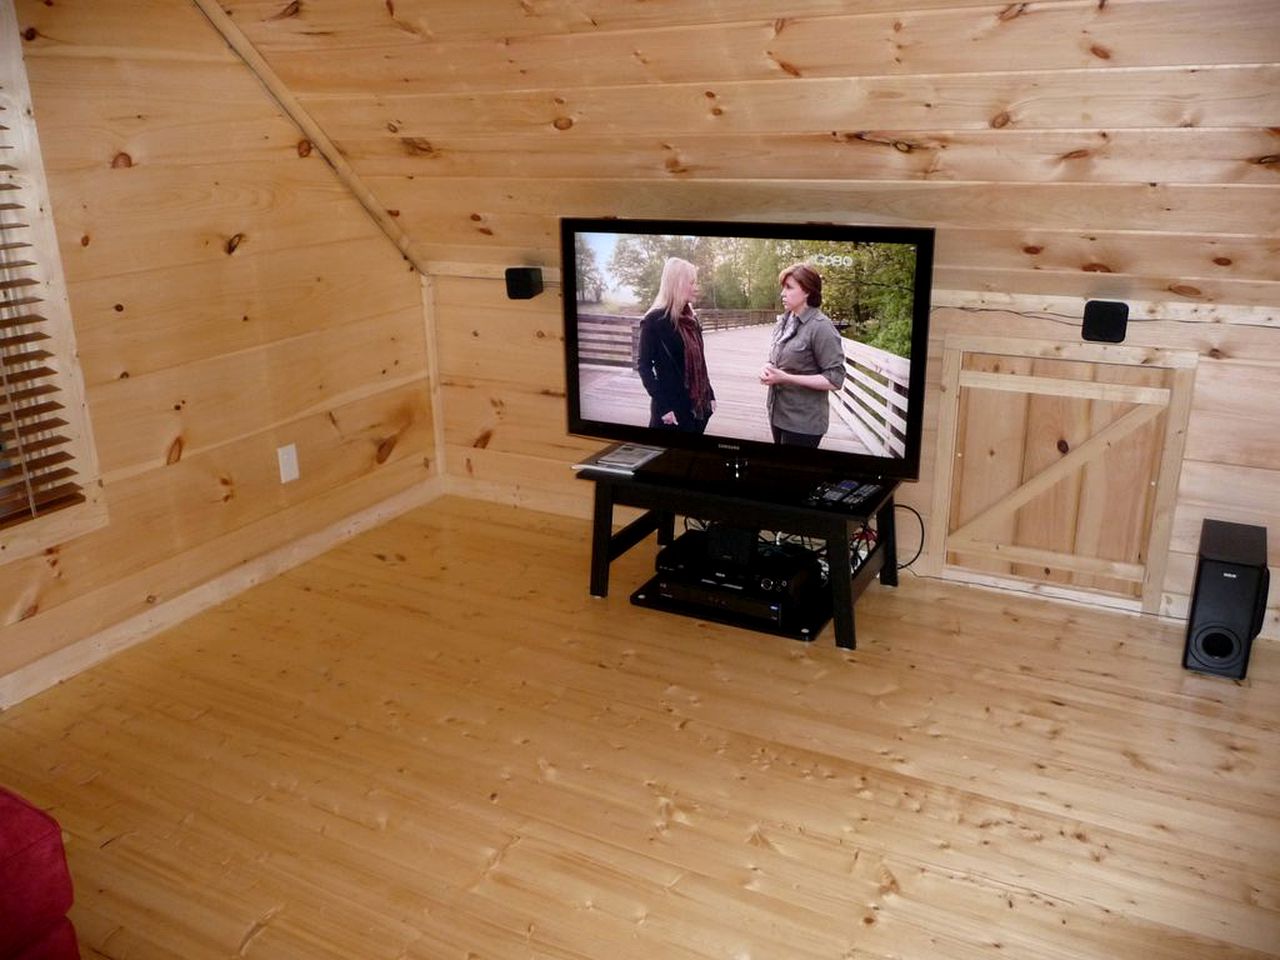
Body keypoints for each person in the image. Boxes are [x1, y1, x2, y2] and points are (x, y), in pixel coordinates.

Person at [760, 263, 846, 446]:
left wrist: (786, 378)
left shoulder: (821, 327)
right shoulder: (785, 319)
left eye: (789, 287)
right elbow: (775, 358)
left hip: (803, 423)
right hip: (778, 413)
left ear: (807, 291)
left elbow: (835, 379)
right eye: (783, 287)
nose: (782, 293)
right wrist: (768, 367)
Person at [636, 257, 715, 434]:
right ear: (677, 284)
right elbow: (644, 367)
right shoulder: (654, 322)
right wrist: (664, 406)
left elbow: (701, 362)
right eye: (692, 282)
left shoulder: (692, 320)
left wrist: (710, 394)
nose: (696, 288)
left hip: (697, 409)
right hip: (671, 412)